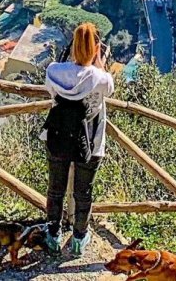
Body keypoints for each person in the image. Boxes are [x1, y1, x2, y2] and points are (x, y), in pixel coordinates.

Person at [39, 22, 114, 255]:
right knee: (83, 192)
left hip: (58, 137)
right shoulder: (101, 78)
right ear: (95, 48)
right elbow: (109, 89)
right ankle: (79, 239)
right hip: (90, 142)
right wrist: (99, 60)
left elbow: (52, 91)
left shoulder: (53, 71)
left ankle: (52, 234)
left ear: (72, 46)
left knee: (55, 189)